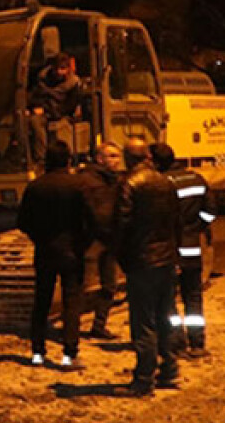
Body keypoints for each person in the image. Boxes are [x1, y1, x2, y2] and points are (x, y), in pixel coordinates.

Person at [112, 138, 181, 396]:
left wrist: (122, 257)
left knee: (143, 322)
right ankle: (170, 369)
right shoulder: (165, 183)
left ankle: (143, 380)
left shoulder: (129, 184)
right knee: (165, 317)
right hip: (166, 259)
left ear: (127, 158)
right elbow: (176, 223)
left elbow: (121, 225)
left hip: (142, 261)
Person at [16, 139, 92, 371]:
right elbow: (89, 221)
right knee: (71, 303)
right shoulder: (78, 186)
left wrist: (40, 239)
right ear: (69, 160)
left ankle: (37, 353)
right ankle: (69, 354)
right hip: (72, 252)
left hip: (45, 251)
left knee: (41, 302)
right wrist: (83, 243)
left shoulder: (35, 187)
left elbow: (23, 222)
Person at [153, 142, 217, 356]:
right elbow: (211, 211)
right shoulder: (196, 179)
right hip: (193, 248)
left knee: (168, 299)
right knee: (193, 297)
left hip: (170, 251)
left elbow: (161, 219)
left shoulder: (162, 183)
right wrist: (197, 227)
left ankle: (177, 342)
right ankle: (197, 343)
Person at [79, 141, 123, 340]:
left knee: (109, 286)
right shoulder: (87, 180)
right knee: (82, 286)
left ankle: (99, 325)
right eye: (111, 156)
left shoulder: (114, 181)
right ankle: (72, 327)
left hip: (109, 239)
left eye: (118, 156)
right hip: (90, 239)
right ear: (99, 159)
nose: (116, 161)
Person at [28, 52, 83, 164]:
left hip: (61, 113)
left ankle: (41, 159)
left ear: (68, 69)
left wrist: (47, 111)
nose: (59, 72)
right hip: (43, 110)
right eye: (56, 68)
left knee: (36, 122)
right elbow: (34, 96)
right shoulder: (42, 80)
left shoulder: (73, 84)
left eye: (63, 68)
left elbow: (69, 106)